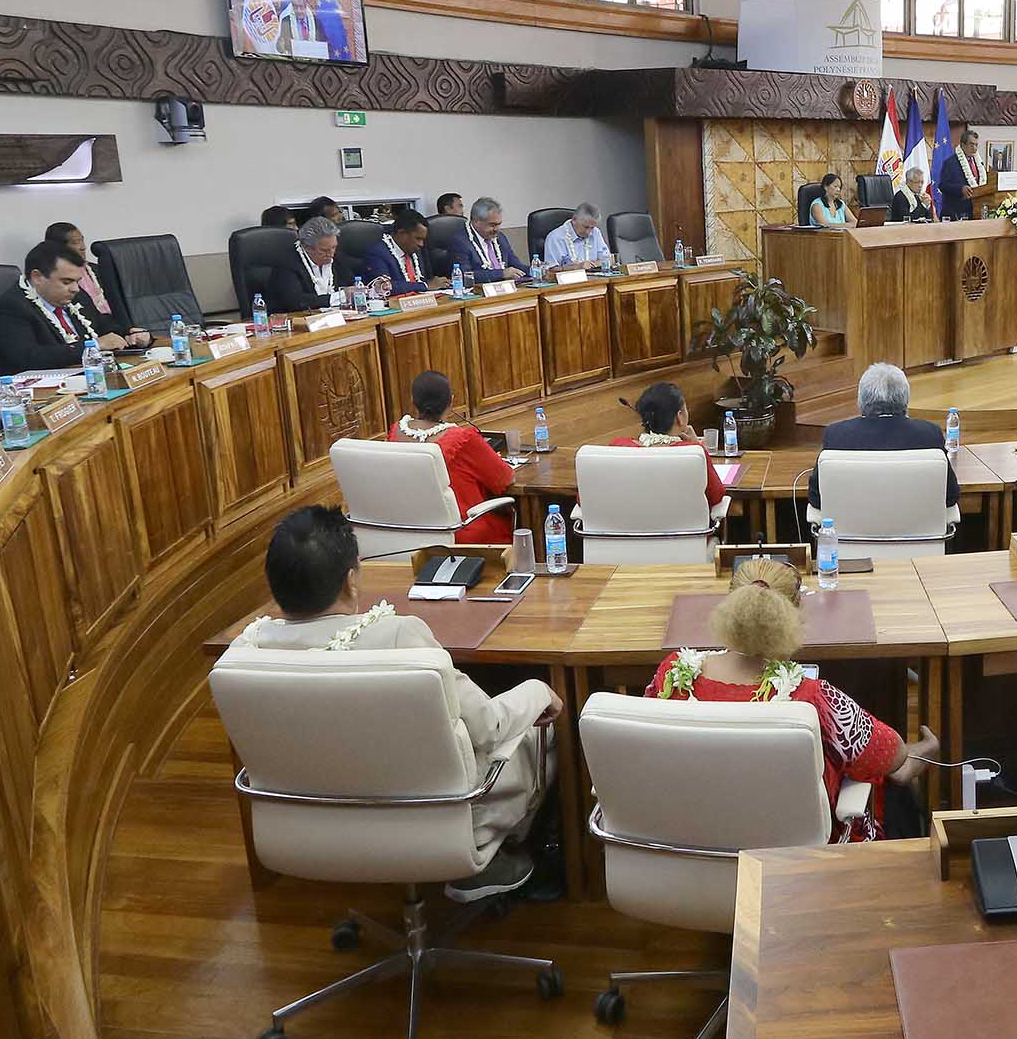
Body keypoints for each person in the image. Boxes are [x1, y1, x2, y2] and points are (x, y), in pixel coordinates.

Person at [235, 505, 560, 901]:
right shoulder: (401, 638)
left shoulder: (245, 653)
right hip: (442, 824)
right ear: (351, 581)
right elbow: (489, 726)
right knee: (541, 729)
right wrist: (539, 690)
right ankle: (493, 861)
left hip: (310, 831)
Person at [645, 558, 938, 842]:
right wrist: (926, 750)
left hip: (685, 847)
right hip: (790, 865)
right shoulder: (813, 699)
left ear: (728, 607)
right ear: (793, 618)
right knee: (896, 778)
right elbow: (894, 756)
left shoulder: (671, 677)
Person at [808, 363, 958, 513]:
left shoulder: (836, 435)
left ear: (860, 400)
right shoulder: (930, 434)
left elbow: (816, 498)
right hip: (919, 534)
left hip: (851, 535)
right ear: (906, 400)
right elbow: (950, 496)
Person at [387, 371, 516, 544]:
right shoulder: (464, 439)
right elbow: (505, 478)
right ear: (451, 402)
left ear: (413, 401)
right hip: (463, 532)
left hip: (410, 534)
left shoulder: (395, 433)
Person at [0, 240, 138, 378]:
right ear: (37, 277)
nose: (75, 289)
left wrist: (131, 334)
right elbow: (29, 358)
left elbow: (102, 324)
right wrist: (94, 346)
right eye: (66, 282)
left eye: (77, 281)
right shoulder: (10, 309)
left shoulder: (76, 296)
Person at [611, 381, 726, 511]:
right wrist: (698, 447)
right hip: (685, 530)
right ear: (680, 417)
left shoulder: (618, 447)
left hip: (627, 529)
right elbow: (716, 496)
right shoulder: (694, 453)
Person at [265, 217, 374, 314]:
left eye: (334, 247)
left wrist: (372, 287)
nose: (331, 253)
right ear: (307, 247)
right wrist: (339, 296)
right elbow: (296, 302)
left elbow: (352, 283)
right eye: (324, 250)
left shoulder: (336, 258)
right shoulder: (286, 263)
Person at [360, 208, 448, 295]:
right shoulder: (377, 252)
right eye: (418, 238)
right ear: (402, 233)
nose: (421, 244)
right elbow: (384, 287)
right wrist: (425, 285)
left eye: (423, 239)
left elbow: (423, 280)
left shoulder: (415, 251)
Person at [42, 221, 113, 326]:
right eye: (76, 243)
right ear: (59, 248)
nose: (83, 247)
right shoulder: (54, 281)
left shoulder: (97, 270)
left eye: (82, 241)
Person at [450, 197, 522, 284]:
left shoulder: (500, 237)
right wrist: (501, 274)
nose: (497, 229)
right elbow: (464, 276)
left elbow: (516, 264)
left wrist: (537, 270)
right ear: (476, 221)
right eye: (492, 225)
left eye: (499, 224)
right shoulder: (461, 242)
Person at [542, 202, 611, 271]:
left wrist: (592, 265)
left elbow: (608, 259)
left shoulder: (595, 232)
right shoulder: (555, 238)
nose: (589, 232)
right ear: (574, 219)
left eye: (592, 228)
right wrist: (577, 267)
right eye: (586, 227)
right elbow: (551, 271)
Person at [937, 129, 988, 220]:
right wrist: (960, 189)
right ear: (962, 145)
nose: (974, 148)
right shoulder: (950, 163)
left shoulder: (979, 163)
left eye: (976, 145)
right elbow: (943, 186)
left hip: (975, 212)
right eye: (971, 144)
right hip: (955, 213)